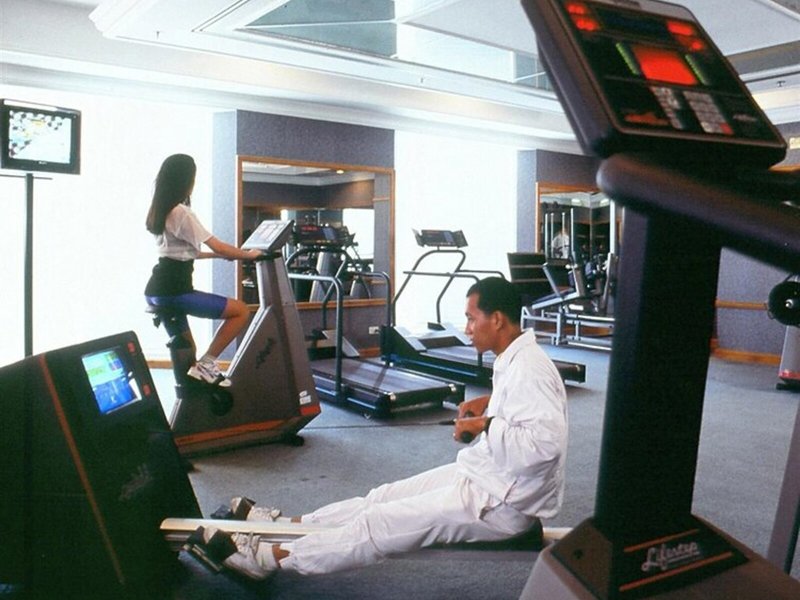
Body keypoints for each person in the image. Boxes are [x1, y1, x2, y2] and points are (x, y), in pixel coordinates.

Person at [201, 276, 568, 579]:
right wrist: (487, 403)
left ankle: (268, 559)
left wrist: (485, 424)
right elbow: (522, 411)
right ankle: (292, 524)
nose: (468, 329)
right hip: (485, 476)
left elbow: (544, 446)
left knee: (380, 522)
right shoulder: (514, 357)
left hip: (500, 506)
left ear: (498, 320)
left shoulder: (529, 369)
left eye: (472, 319)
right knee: (381, 497)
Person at [144, 153, 262, 387]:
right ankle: (207, 364)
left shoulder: (161, 210)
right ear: (186, 180)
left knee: (187, 350)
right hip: (175, 291)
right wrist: (250, 255)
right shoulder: (181, 212)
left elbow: (185, 253)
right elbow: (218, 245)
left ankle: (192, 393)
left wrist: (222, 256)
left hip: (156, 290)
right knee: (240, 311)